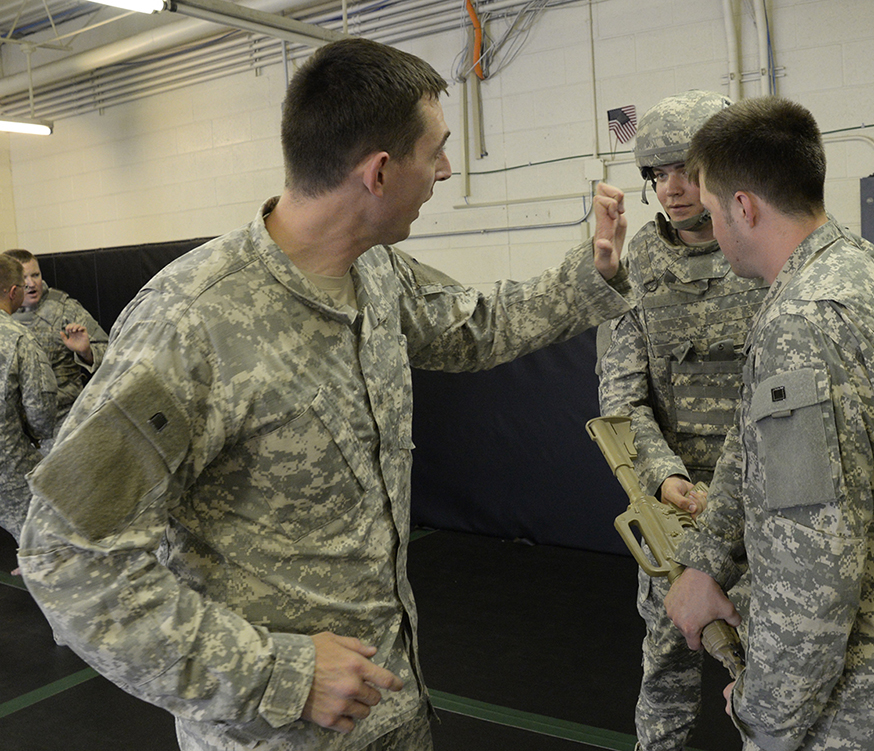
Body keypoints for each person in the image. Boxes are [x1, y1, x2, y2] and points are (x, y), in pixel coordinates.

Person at [17, 37, 632, 751]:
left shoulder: (376, 275)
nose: (445, 170)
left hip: (392, 706)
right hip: (274, 734)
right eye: (435, 151)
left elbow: (472, 327)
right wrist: (276, 674)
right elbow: (65, 554)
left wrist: (588, 278)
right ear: (378, 171)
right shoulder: (190, 322)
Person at [663, 96, 874, 751]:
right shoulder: (853, 264)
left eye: (715, 213)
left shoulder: (805, 326)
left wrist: (763, 712)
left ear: (744, 207)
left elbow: (814, 570)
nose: (714, 233)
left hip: (858, 682)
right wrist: (703, 559)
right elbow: (752, 446)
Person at [597, 90, 767, 751]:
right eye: (654, 174)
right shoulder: (643, 258)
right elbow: (622, 395)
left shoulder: (764, 252)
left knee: (770, 673)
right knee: (667, 659)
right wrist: (664, 476)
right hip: (671, 507)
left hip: (760, 508)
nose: (669, 188)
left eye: (684, 171)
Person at [3, 248, 109, 430]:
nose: (31, 284)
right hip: (17, 425)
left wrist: (86, 352)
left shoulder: (64, 309)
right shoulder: (4, 318)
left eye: (35, 275)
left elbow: (110, 351)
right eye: (23, 278)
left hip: (63, 418)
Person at [0, 255, 57, 545]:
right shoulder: (19, 339)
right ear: (14, 292)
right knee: (46, 542)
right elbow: (41, 415)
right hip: (9, 470)